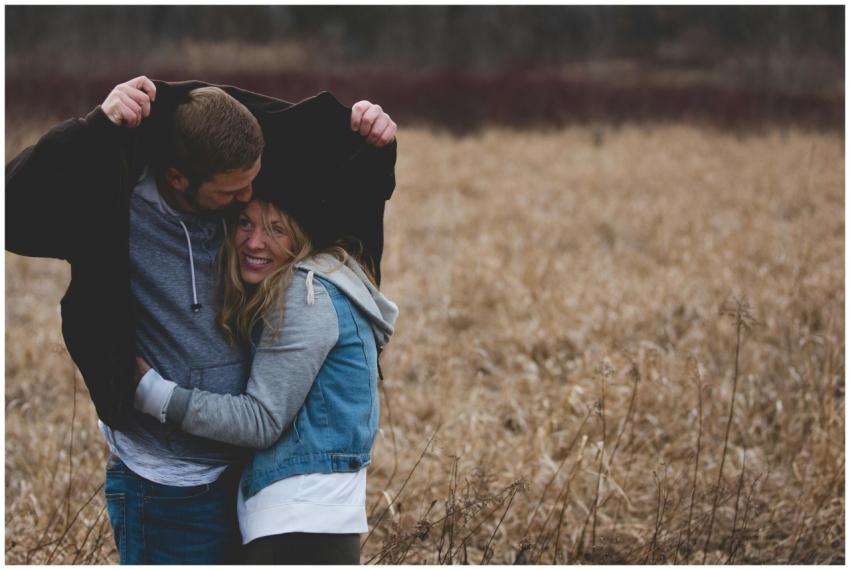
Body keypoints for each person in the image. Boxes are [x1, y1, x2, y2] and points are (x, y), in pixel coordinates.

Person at [5, 76, 397, 564]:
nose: (249, 197)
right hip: (167, 484)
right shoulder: (112, 206)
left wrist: (375, 142)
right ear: (177, 179)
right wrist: (94, 128)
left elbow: (336, 183)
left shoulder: (236, 185)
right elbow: (13, 208)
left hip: (247, 478)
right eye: (234, 193)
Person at [133, 193, 398, 564]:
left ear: (302, 237)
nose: (255, 242)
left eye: (277, 229)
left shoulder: (307, 295)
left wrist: (153, 394)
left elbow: (261, 420)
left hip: (299, 523)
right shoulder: (323, 284)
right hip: (312, 518)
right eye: (245, 223)